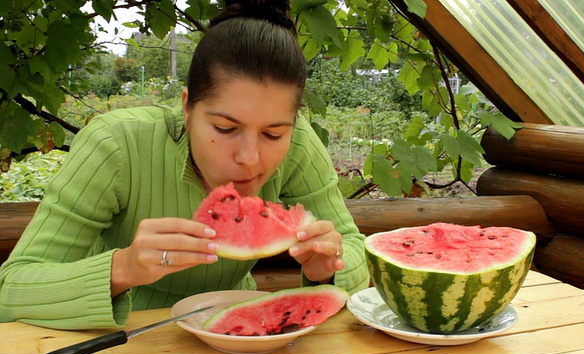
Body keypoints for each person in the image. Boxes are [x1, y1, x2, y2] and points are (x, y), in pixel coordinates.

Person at [0, 0, 369, 329]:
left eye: (273, 135)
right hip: (122, 337)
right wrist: (123, 268)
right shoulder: (115, 143)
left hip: (244, 336)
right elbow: (13, 287)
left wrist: (330, 267)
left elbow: (351, 245)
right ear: (187, 106)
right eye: (226, 128)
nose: (250, 157)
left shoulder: (300, 142)